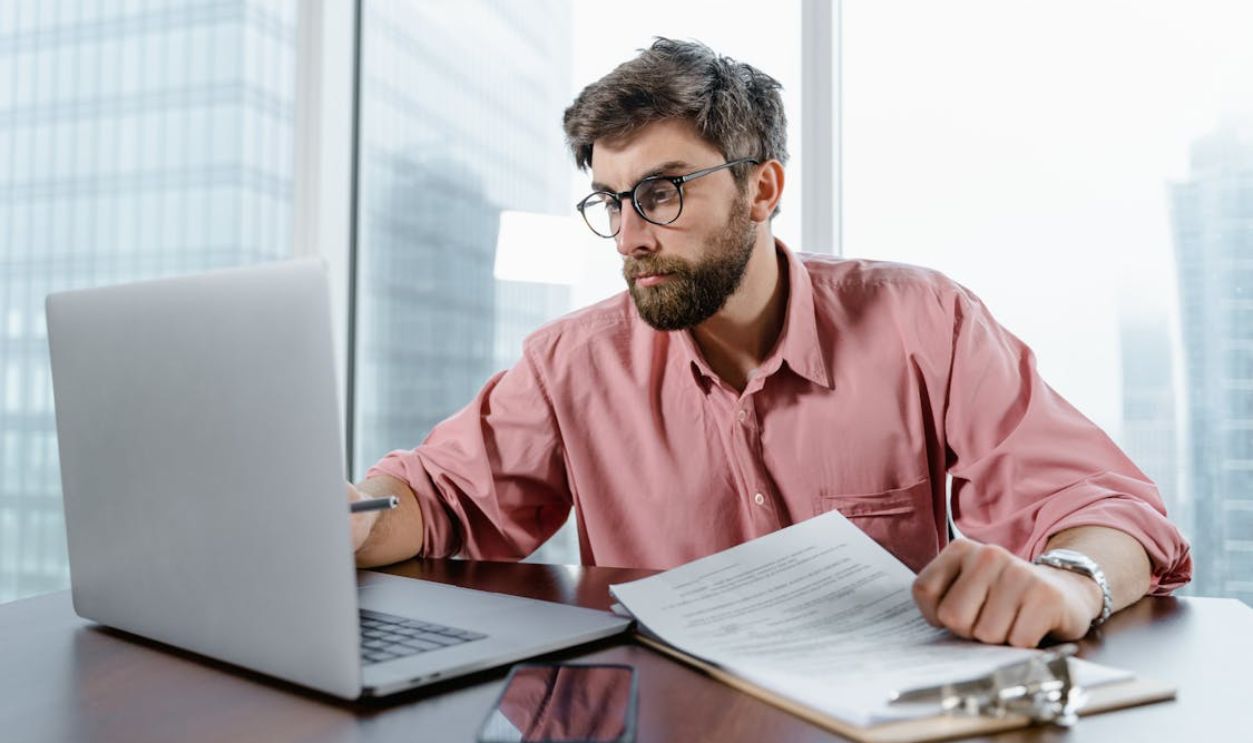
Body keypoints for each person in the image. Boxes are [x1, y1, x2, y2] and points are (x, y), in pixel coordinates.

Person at [347, 38, 1191, 648]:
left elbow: (1103, 507)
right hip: (669, 715)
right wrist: (338, 517)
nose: (629, 236)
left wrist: (1068, 583)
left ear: (761, 189)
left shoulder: (922, 321)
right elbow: (433, 497)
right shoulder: (571, 363)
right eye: (610, 200)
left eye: (661, 192)